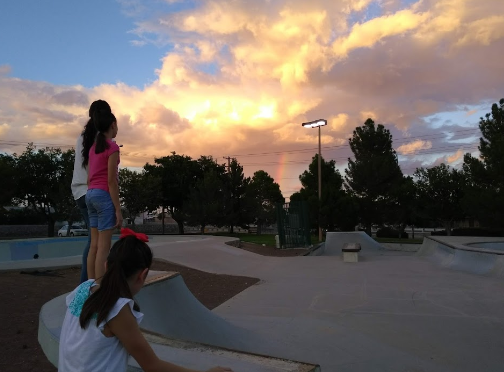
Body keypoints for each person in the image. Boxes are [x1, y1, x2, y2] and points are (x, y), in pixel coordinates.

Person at [58, 228, 233, 372]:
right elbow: (152, 366)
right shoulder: (117, 309)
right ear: (143, 275)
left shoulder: (83, 288)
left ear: (106, 265)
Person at [71, 99, 111, 284]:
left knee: (92, 241)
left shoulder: (82, 136)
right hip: (94, 190)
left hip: (80, 192)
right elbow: (103, 170)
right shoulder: (100, 138)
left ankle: (87, 286)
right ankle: (91, 286)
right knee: (100, 243)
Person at [86, 108, 123, 282]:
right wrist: (118, 209)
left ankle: (90, 286)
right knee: (104, 248)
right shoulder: (112, 147)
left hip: (90, 194)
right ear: (112, 125)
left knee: (94, 245)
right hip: (103, 196)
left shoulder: (93, 148)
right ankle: (101, 288)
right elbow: (111, 181)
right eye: (116, 125)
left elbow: (89, 177)